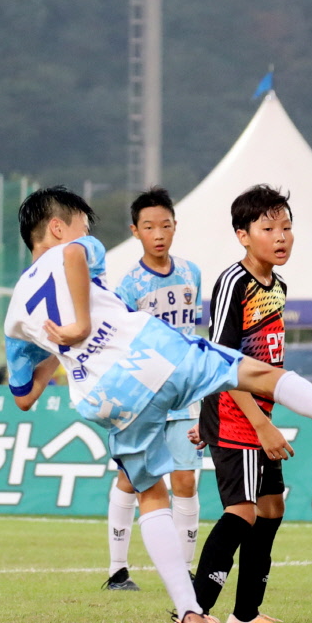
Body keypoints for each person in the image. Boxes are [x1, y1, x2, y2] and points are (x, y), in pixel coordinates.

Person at [4, 187, 312, 623]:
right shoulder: (76, 246)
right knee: (260, 374)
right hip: (150, 354)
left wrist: (65, 351)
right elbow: (75, 262)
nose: (88, 233)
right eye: (83, 225)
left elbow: (24, 396)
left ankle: (190, 612)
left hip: (101, 396)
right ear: (59, 227)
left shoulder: (14, 312)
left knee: (152, 495)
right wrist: (83, 325)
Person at [192, 184, 302, 623]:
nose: (281, 237)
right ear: (242, 235)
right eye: (268, 228)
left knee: (272, 506)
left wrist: (268, 418)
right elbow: (217, 359)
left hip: (261, 415)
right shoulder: (233, 283)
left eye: (287, 227)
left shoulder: (278, 285)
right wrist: (256, 424)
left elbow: (265, 361)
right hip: (238, 414)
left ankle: (246, 615)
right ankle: (193, 613)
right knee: (243, 510)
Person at [105, 186, 208, 589]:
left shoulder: (191, 273)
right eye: (149, 226)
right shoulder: (128, 285)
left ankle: (184, 570)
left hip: (184, 395)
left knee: (185, 480)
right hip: (144, 397)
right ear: (135, 231)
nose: (159, 233)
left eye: (165, 225)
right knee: (133, 479)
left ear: (175, 226)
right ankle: (117, 569)